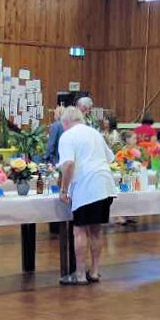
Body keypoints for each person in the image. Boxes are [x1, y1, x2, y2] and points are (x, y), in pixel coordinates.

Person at [57, 106, 117, 285]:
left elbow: (68, 165)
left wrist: (63, 190)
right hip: (105, 184)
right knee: (96, 230)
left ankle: (80, 274)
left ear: (65, 122)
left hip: (86, 187)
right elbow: (110, 158)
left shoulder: (67, 136)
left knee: (80, 230)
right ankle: (95, 271)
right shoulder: (95, 133)